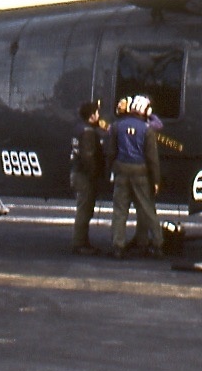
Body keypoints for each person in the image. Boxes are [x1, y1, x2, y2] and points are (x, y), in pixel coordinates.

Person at [105, 94, 163, 259]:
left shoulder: (117, 126)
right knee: (147, 208)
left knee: (120, 210)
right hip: (141, 172)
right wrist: (156, 180)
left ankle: (118, 246)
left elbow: (111, 152)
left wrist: (110, 170)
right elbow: (152, 158)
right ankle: (158, 244)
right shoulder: (147, 129)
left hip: (121, 170)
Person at [68, 100, 108, 255]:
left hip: (77, 172)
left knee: (83, 209)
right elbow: (88, 156)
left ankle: (82, 242)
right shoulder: (89, 133)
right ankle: (79, 243)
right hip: (85, 176)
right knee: (84, 210)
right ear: (92, 116)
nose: (99, 115)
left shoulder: (79, 129)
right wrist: (95, 175)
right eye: (97, 113)